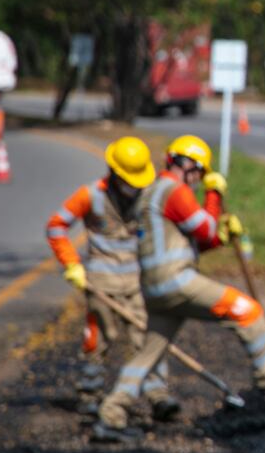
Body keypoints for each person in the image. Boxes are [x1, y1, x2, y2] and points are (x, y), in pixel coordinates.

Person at [93, 135, 265, 442]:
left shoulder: (150, 194)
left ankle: (111, 416)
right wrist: (214, 194)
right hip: (176, 282)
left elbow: (197, 241)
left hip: (154, 290)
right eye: (199, 173)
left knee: (147, 355)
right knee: (246, 311)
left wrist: (222, 236)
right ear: (188, 165)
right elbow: (205, 226)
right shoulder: (174, 191)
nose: (199, 180)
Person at [46, 136, 179, 419]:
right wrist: (72, 264)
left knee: (147, 337)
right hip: (100, 283)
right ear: (116, 174)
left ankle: (159, 396)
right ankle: (90, 394)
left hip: (138, 282)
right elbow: (57, 226)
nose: (134, 186)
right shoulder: (90, 195)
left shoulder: (147, 197)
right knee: (98, 340)